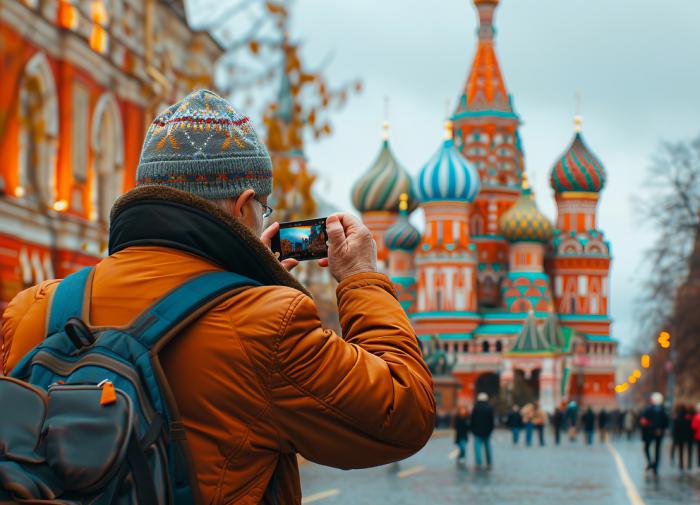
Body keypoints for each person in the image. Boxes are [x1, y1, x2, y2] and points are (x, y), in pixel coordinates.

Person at [0, 90, 436, 504]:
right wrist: (360, 278)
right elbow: (403, 414)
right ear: (244, 206)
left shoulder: (32, 308)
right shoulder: (269, 324)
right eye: (263, 210)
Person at [639, 392, 670, 477]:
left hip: (650, 432)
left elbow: (642, 420)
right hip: (659, 432)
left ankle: (651, 463)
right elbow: (666, 422)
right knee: (657, 449)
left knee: (647, 447)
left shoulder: (649, 410)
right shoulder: (663, 410)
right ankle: (655, 466)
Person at [471, 392, 495, 469]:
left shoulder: (476, 407)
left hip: (477, 431)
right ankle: (489, 463)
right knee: (488, 448)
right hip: (487, 431)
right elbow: (491, 421)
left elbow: (472, 420)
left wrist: (473, 429)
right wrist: (491, 429)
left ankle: (478, 463)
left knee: (477, 448)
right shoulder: (489, 408)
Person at [692, 403, 700, 467]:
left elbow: (693, 426)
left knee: (698, 450)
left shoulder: (696, 417)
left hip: (698, 436)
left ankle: (699, 463)